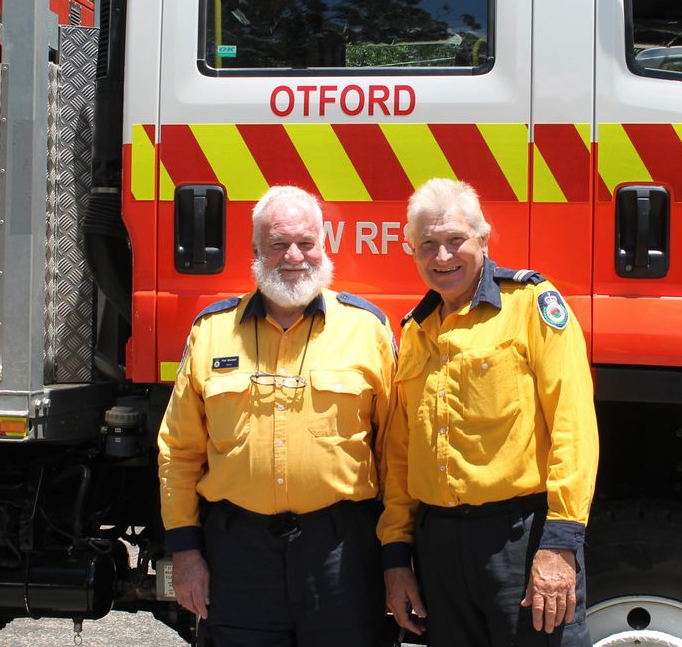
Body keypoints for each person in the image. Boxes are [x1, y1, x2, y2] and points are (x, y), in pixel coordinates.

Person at [157, 185, 395, 646]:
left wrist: (397, 556)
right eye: (278, 244)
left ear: (323, 246)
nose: (294, 256)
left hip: (341, 550)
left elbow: (396, 452)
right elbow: (178, 451)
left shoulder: (368, 330)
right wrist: (185, 551)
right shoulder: (211, 332)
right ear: (254, 251)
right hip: (240, 552)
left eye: (306, 243)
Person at [378, 178, 599, 646]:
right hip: (437, 547)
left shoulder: (532, 306)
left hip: (518, 542)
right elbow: (400, 456)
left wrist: (560, 544)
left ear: (483, 238)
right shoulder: (415, 332)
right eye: (428, 245)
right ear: (412, 250)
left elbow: (572, 427)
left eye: (456, 240)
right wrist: (397, 557)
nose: (443, 258)